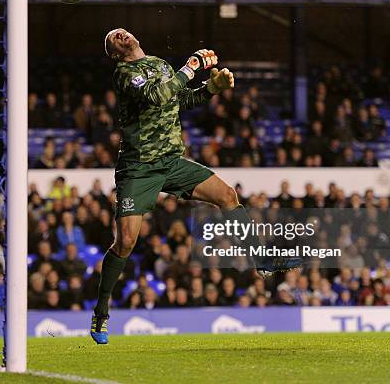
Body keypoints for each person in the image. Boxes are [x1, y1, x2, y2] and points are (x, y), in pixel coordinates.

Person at [90, 28, 301, 345]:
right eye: (113, 39)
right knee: (126, 243)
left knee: (227, 195)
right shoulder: (124, 74)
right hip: (139, 167)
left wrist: (211, 88)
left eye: (122, 32)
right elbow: (156, 96)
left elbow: (177, 100)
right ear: (115, 54)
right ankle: (101, 312)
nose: (121, 35)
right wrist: (190, 67)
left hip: (172, 161)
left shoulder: (160, 64)